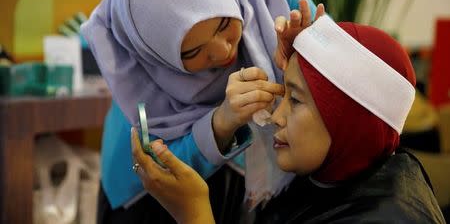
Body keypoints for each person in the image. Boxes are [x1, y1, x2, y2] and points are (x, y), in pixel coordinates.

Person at [81, 0, 325, 223]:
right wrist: (221, 122)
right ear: (157, 57)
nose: (224, 51)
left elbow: (343, 77)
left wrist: (304, 57)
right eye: (193, 51)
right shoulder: (140, 82)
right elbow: (159, 171)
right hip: (156, 202)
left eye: (224, 23)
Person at [131, 15, 446, 223]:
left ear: (349, 120)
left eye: (295, 100)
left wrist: (194, 213)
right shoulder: (333, 173)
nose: (275, 117)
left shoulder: (387, 218)